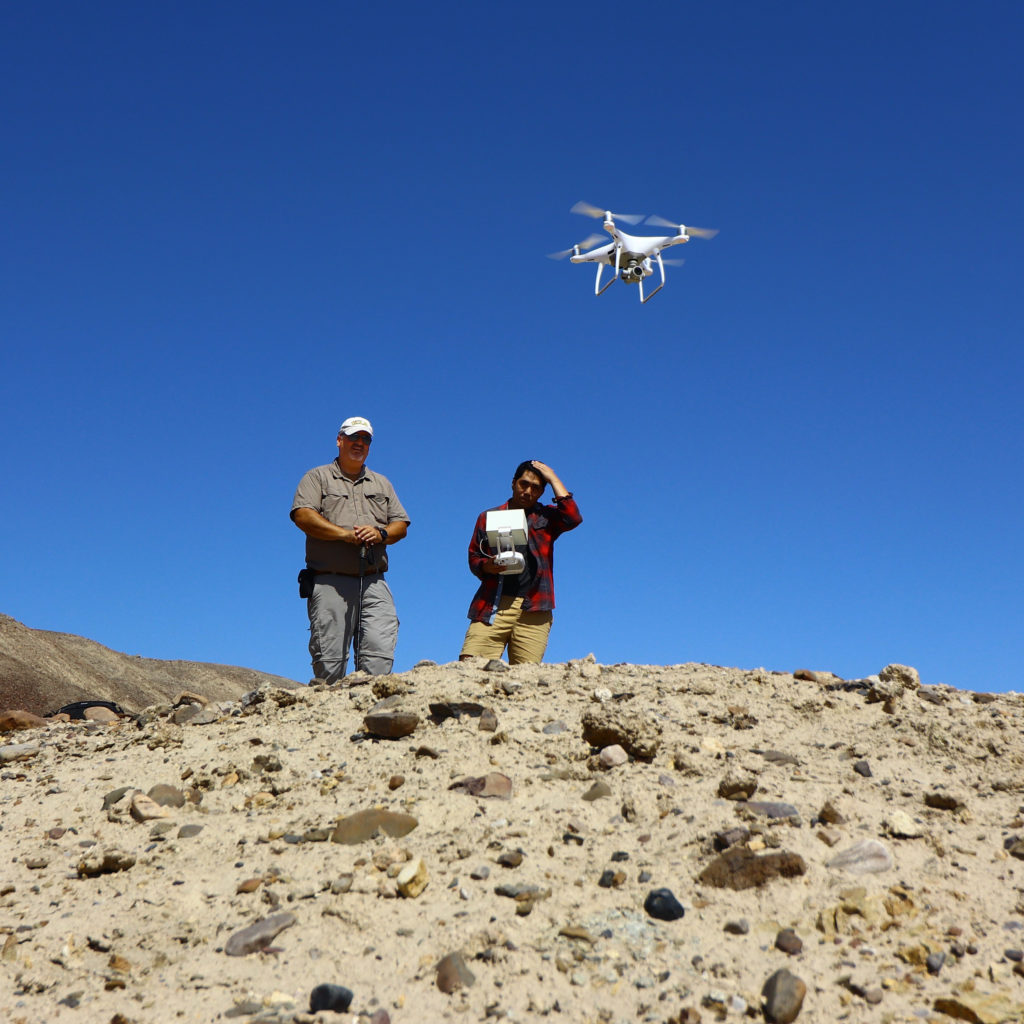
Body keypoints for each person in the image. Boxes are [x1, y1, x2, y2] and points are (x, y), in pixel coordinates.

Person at [291, 416, 410, 682]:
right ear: (339, 440)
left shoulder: (381, 483)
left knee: (379, 660)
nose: (359, 443)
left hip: (374, 581)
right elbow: (303, 516)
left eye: (366, 439)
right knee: (330, 665)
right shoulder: (317, 478)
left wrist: (380, 534)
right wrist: (345, 535)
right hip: (330, 580)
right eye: (353, 437)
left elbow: (400, 525)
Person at [460, 460, 581, 664]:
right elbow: (474, 557)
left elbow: (573, 517)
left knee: (526, 678)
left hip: (534, 608)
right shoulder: (488, 517)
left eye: (535, 488)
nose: (527, 491)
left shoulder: (547, 517)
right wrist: (488, 566)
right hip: (493, 604)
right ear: (513, 483)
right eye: (523, 484)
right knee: (470, 667)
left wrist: (552, 477)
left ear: (542, 492)